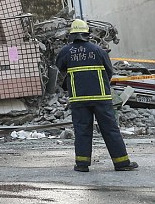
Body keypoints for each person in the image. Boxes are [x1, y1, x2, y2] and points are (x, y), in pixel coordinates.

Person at [56, 19, 138, 172]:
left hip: (79, 99)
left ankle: (82, 165)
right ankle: (121, 163)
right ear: (87, 34)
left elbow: (59, 70)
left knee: (82, 130)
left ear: (72, 35)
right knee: (110, 130)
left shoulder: (66, 52)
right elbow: (109, 72)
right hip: (101, 98)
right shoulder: (98, 50)